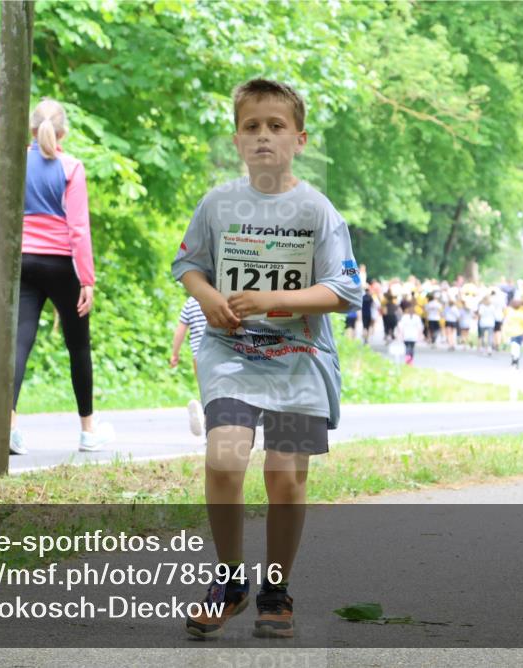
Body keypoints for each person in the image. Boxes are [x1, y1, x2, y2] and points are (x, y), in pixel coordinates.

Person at [171, 79, 362, 640]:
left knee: (285, 476)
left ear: (299, 139)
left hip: (302, 358)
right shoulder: (217, 204)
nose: (263, 136)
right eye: (252, 126)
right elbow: (188, 266)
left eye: (276, 126)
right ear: (236, 139)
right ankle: (230, 580)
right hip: (232, 353)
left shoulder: (317, 210)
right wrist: (207, 299)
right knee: (225, 460)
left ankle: (276, 588)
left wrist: (274, 300)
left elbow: (345, 291)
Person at [10, 99, 112, 455]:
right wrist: (87, 280)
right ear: (63, 132)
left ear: (31, 130)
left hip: (22, 261)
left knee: (19, 343)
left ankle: (7, 427)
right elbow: (79, 228)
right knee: (78, 346)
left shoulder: (15, 163)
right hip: (62, 265)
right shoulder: (71, 166)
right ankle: (87, 431)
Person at [170, 296, 208, 438]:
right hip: (219, 353)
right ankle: (210, 429)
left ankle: (200, 408)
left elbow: (180, 330)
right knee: (219, 391)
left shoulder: (190, 303)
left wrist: (174, 354)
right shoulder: (219, 298)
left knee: (205, 390)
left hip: (198, 355)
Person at [503, 299, 523, 369]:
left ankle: (514, 359)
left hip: (512, 332)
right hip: (520, 331)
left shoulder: (510, 313)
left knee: (514, 346)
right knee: (518, 346)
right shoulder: (522, 314)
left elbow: (506, 323)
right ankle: (516, 359)